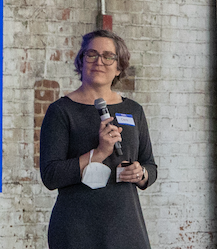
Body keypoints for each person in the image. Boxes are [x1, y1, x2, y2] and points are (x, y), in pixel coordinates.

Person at [39, 30, 157, 249]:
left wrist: (141, 173)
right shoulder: (61, 111)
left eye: (108, 56)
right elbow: (51, 176)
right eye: (91, 54)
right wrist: (99, 153)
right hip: (77, 229)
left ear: (119, 66)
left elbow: (150, 163)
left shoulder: (133, 110)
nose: (99, 61)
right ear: (81, 61)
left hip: (126, 226)